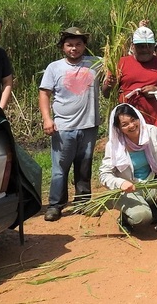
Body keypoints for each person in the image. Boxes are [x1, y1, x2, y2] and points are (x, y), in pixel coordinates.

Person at [39, 27, 101, 222]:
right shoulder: (54, 67)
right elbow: (44, 93)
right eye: (70, 45)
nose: (74, 48)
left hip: (89, 126)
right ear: (63, 47)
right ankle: (56, 205)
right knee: (60, 168)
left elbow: (111, 79)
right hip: (63, 127)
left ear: (84, 46)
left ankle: (83, 202)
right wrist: (47, 119)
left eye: (78, 44)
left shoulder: (96, 63)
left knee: (84, 166)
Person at [99, 103, 157, 237]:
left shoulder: (152, 132)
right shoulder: (114, 145)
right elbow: (104, 175)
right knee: (142, 218)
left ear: (139, 118)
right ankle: (125, 219)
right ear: (119, 128)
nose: (132, 126)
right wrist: (120, 183)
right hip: (129, 190)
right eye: (125, 124)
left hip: (152, 185)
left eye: (133, 120)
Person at [102, 26, 157, 132]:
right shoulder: (120, 62)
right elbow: (106, 94)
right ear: (132, 46)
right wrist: (109, 85)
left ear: (154, 47)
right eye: (140, 46)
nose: (145, 50)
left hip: (156, 124)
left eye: (148, 46)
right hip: (128, 126)